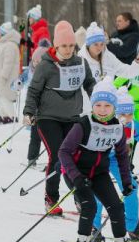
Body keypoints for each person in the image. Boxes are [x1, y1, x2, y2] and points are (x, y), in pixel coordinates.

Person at [58, 81, 139, 242]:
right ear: (92, 106)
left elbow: (122, 156)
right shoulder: (83, 124)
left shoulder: (117, 128)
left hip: (98, 173)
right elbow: (64, 152)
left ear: (114, 107)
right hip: (76, 172)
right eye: (98, 105)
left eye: (107, 106)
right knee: (89, 206)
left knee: (116, 207)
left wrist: (125, 181)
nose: (102, 109)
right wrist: (75, 176)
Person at [23, 20, 95, 215]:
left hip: (72, 117)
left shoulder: (81, 63)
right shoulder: (46, 65)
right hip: (48, 118)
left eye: (71, 45)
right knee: (57, 156)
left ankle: (79, 196)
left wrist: (100, 101)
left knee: (74, 157)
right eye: (64, 45)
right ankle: (51, 198)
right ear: (56, 45)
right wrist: (29, 112)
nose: (68, 49)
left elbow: (90, 84)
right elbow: (34, 91)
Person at [90, 88, 139, 242]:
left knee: (131, 187)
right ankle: (93, 228)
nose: (126, 118)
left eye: (129, 114)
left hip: (117, 160)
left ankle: (132, 227)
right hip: (98, 158)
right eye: (122, 114)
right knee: (98, 192)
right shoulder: (104, 124)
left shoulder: (133, 126)